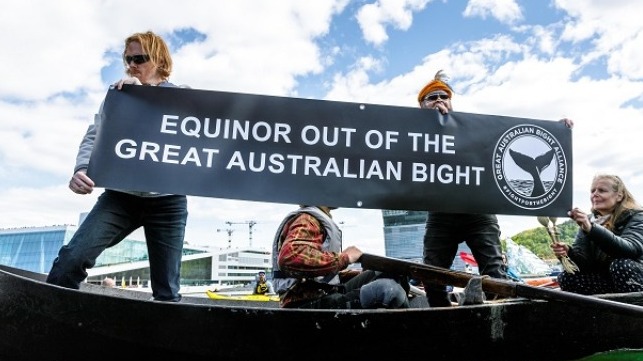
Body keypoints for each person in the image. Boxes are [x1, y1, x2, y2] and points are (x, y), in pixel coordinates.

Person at [46, 31, 188, 302]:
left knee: (167, 292)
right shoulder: (119, 94)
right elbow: (96, 133)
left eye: (139, 58)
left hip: (168, 202)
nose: (132, 64)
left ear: (158, 59)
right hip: (120, 197)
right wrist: (81, 169)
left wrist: (143, 94)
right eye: (128, 59)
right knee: (69, 262)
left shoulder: (184, 97)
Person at [417, 70, 574, 307]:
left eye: (444, 96)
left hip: (478, 210)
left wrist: (557, 131)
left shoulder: (473, 128)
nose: (439, 100)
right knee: (432, 273)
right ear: (421, 105)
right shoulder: (410, 133)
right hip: (441, 213)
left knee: (494, 269)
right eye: (432, 97)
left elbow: (509, 138)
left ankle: (499, 316)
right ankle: (440, 317)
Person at [271, 205, 409, 309]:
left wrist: (356, 274)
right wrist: (345, 258)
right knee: (387, 290)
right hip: (305, 306)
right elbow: (291, 257)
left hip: (326, 294)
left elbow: (322, 278)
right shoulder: (307, 219)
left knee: (389, 273)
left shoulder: (317, 219)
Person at [551, 174, 643, 294]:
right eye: (592, 191)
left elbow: (631, 249)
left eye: (602, 190)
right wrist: (568, 252)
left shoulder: (637, 216)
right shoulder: (589, 221)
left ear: (619, 196)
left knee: (621, 265)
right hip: (610, 281)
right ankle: (600, 310)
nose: (595, 194)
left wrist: (591, 229)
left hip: (634, 277)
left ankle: (634, 309)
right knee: (567, 278)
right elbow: (584, 265)